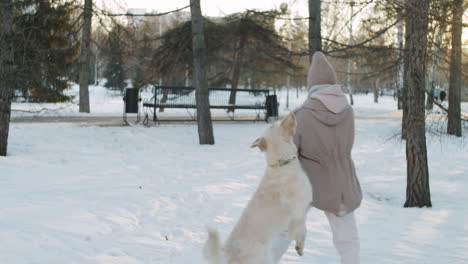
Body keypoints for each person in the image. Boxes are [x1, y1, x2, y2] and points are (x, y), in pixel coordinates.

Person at [272, 52, 362, 264]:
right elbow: (346, 145)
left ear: (312, 86)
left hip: (307, 185)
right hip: (342, 184)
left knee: (283, 230)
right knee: (348, 239)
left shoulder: (300, 116)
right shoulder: (348, 112)